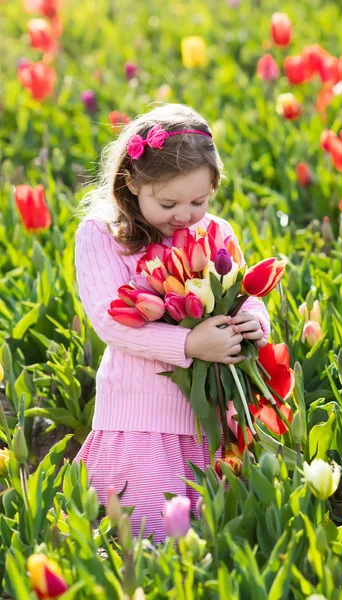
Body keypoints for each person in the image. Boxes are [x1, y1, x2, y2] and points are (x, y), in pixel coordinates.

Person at [74, 103, 270, 542]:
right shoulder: (103, 235)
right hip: (142, 414)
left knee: (217, 534)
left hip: (211, 417)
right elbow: (113, 323)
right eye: (168, 202)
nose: (184, 215)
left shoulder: (214, 232)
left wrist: (255, 322)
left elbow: (243, 293)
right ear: (131, 183)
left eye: (198, 201)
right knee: (149, 534)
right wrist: (188, 345)